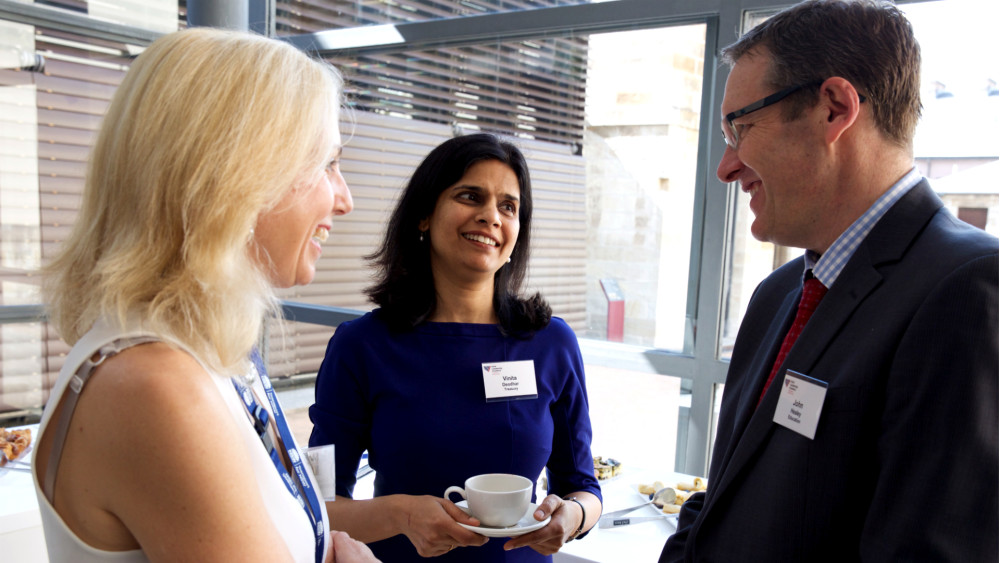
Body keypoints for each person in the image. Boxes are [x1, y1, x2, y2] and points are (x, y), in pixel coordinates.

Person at [660, 1, 998, 561]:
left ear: (835, 108)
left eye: (738, 127)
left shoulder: (970, 290)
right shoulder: (778, 295)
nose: (725, 165)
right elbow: (722, 497)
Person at [33, 28, 379, 563]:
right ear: (239, 176)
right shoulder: (157, 386)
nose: (345, 199)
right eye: (326, 164)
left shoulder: (200, 353)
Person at [308, 133, 603, 562]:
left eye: (508, 206)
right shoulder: (360, 347)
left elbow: (583, 486)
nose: (491, 216)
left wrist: (573, 516)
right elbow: (319, 506)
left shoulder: (551, 344)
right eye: (470, 196)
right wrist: (401, 515)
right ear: (424, 215)